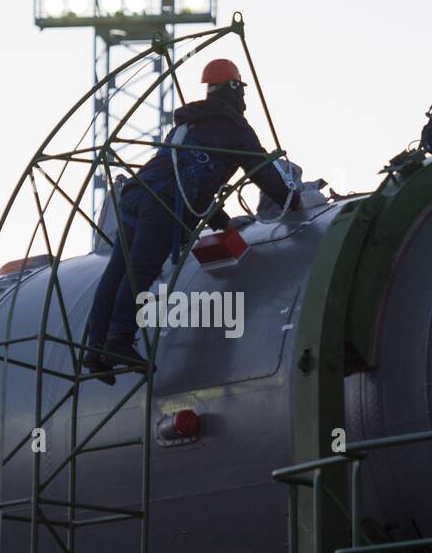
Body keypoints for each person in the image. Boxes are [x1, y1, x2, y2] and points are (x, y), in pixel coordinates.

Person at [83, 58, 300, 375]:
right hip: (161, 202)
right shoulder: (233, 128)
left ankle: (94, 347)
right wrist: (291, 199)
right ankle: (119, 339)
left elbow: (193, 177)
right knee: (142, 268)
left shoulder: (189, 123)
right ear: (235, 89)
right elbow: (263, 172)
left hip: (137, 194)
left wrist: (221, 222)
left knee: (117, 270)